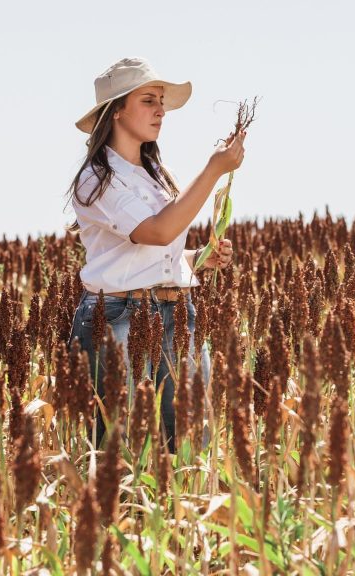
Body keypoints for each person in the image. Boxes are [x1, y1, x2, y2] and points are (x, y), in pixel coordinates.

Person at [64, 57, 245, 450]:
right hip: (118, 317)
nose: (160, 110)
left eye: (161, 101)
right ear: (116, 112)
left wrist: (198, 258)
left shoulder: (157, 175)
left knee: (190, 445)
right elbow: (158, 232)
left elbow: (150, 257)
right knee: (124, 451)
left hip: (177, 312)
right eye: (148, 100)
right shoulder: (97, 178)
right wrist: (214, 169)